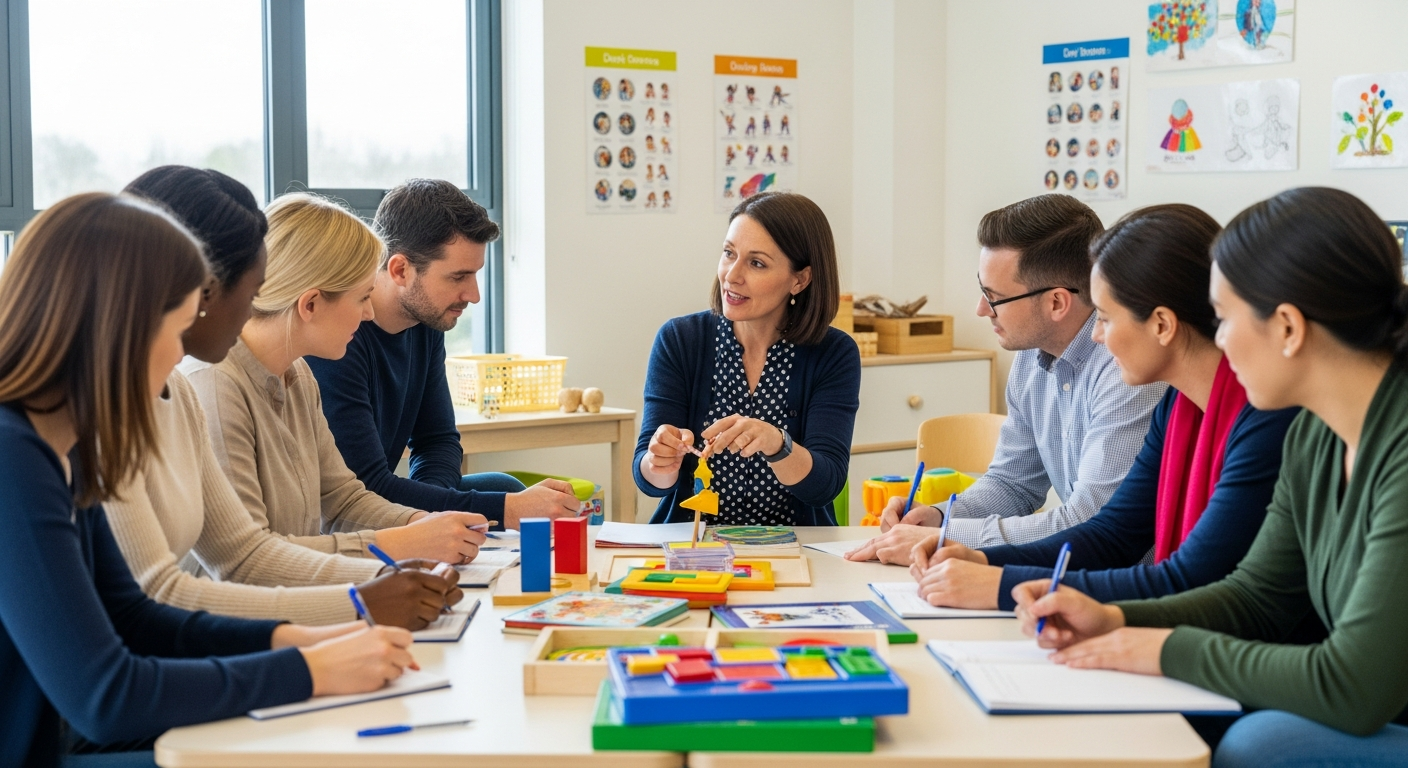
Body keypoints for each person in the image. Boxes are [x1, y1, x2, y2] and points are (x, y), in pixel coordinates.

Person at [0, 192, 417, 768]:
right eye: (172, 333)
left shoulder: (57, 447)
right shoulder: (13, 457)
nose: (179, 359)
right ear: (114, 330)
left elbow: (135, 617)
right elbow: (104, 696)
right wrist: (307, 669)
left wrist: (297, 639)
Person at [1013, 188, 1408, 765]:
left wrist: (1162, 648)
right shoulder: (1313, 436)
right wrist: (1115, 619)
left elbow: (1352, 688)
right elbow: (1256, 596)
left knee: (1258, 745)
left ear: (1289, 328)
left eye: (1223, 319)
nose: (1217, 340)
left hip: (1374, 713)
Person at [102, 166, 462, 629]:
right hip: (217, 634)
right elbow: (199, 582)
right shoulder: (204, 383)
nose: (254, 307)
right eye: (250, 291)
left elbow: (255, 546)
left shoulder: (209, 390)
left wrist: (389, 569)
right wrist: (369, 587)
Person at [905, 205, 1298, 612]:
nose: (1096, 335)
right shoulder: (1178, 407)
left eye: (1106, 318)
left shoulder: (1265, 418)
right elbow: (1112, 533)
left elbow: (1188, 578)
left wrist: (999, 582)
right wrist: (982, 558)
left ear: (1162, 325)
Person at [847, 194, 1164, 564]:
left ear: (1057, 303)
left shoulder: (1126, 368)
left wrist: (947, 536)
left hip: (1135, 584)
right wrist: (938, 515)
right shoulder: (1031, 355)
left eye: (993, 297)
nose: (980, 310)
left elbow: (1088, 520)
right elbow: (1013, 483)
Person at [184, 193, 488, 564]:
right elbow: (246, 562)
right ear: (310, 304)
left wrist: (429, 524)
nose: (368, 313)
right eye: (361, 298)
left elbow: (344, 500)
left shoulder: (298, 376)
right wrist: (404, 543)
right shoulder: (216, 385)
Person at [305, 180, 578, 530]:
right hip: (341, 517)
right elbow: (363, 488)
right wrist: (501, 510)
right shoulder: (338, 337)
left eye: (476, 275)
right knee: (504, 498)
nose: (474, 294)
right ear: (400, 270)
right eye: (458, 277)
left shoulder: (427, 322)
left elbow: (437, 440)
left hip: (383, 502)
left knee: (501, 486)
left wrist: (436, 513)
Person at [635, 191, 859, 526]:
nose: (732, 275)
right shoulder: (680, 340)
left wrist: (777, 444)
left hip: (798, 547)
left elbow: (824, 486)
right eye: (729, 254)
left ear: (800, 280)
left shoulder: (834, 353)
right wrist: (658, 461)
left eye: (756, 263)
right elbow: (650, 482)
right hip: (693, 545)